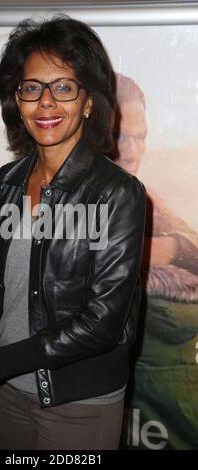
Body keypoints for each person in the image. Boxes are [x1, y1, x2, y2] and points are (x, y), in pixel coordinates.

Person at [0, 16, 146, 450]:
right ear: (17, 100)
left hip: (80, 403)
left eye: (64, 87)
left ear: (88, 101)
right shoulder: (4, 183)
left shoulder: (119, 194)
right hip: (8, 392)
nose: (46, 103)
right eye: (32, 88)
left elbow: (101, 324)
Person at [113, 73, 198, 449]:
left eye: (140, 137)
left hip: (177, 417)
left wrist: (169, 248)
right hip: (133, 419)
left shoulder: (148, 201)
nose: (132, 150)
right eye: (120, 135)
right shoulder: (71, 213)